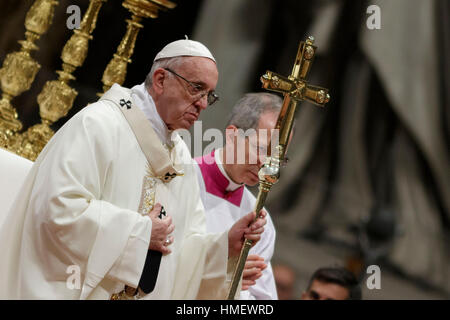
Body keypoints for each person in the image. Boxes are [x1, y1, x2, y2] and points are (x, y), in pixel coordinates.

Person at [0, 39, 266, 300]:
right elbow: (56, 209)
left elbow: (183, 249)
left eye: (209, 95)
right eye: (196, 88)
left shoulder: (179, 154)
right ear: (161, 80)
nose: (203, 104)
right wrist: (140, 232)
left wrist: (223, 247)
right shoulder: (99, 126)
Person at [194, 93, 282, 300]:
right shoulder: (180, 178)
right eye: (261, 148)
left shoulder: (261, 220)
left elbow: (262, 299)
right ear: (233, 135)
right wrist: (226, 278)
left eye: (277, 156)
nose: (267, 165)